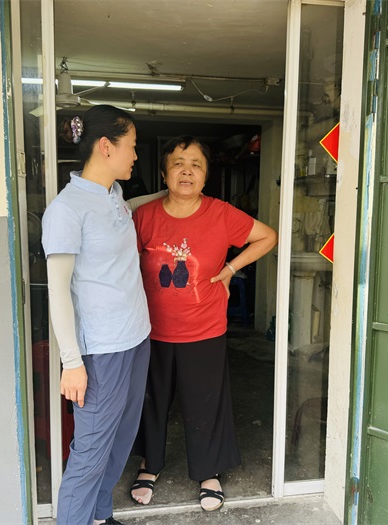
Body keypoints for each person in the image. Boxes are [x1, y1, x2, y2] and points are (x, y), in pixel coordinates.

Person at [130, 136, 278, 511]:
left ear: (206, 175)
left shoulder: (221, 214)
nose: (187, 171)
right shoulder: (144, 217)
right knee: (151, 401)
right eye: (178, 163)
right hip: (150, 330)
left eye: (196, 164)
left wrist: (230, 268)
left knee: (205, 403)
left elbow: (267, 237)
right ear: (164, 173)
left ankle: (208, 471)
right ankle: (150, 464)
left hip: (204, 329)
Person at [42, 105, 160, 525]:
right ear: (106, 147)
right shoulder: (66, 210)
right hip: (100, 351)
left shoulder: (112, 196)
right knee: (91, 450)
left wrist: (171, 193)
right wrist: (71, 363)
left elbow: (131, 206)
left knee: (121, 437)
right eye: (132, 146)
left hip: (136, 338)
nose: (136, 155)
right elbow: (57, 291)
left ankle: (99, 516)